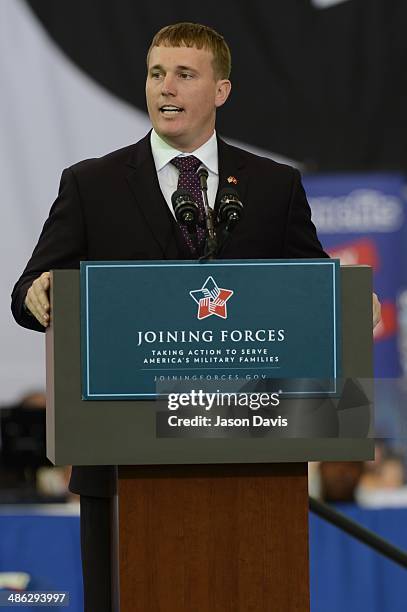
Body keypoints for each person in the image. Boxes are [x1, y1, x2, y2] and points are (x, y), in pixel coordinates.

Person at [11, 22, 381, 612]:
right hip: (120, 466)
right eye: (157, 73)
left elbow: (311, 287)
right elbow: (30, 288)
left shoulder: (273, 185)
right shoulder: (92, 184)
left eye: (185, 74)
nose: (166, 88)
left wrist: (347, 301)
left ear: (222, 91)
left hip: (250, 465)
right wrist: (37, 292)